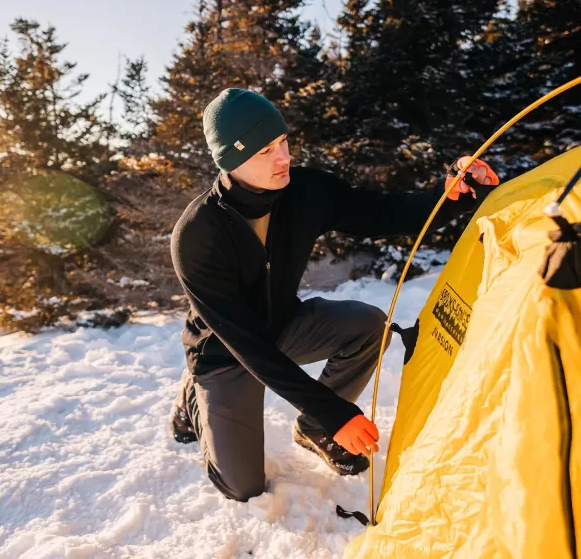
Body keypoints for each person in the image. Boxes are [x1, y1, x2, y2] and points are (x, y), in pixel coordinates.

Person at [168, 88, 500, 502]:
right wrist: (336, 410)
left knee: (367, 326)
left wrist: (447, 194)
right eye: (265, 150)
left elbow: (382, 211)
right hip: (226, 354)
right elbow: (248, 346)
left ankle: (314, 429)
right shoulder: (197, 235)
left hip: (283, 327)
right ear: (231, 161)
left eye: (283, 141)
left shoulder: (303, 191)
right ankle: (193, 398)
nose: (284, 157)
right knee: (243, 487)